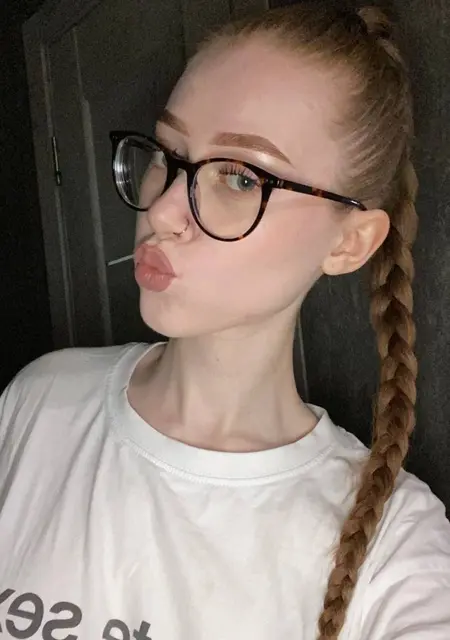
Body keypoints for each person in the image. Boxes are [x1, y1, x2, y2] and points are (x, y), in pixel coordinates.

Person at [1, 2, 449, 639]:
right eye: (167, 154)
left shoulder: (398, 549)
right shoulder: (41, 399)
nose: (162, 211)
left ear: (349, 243)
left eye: (239, 178)